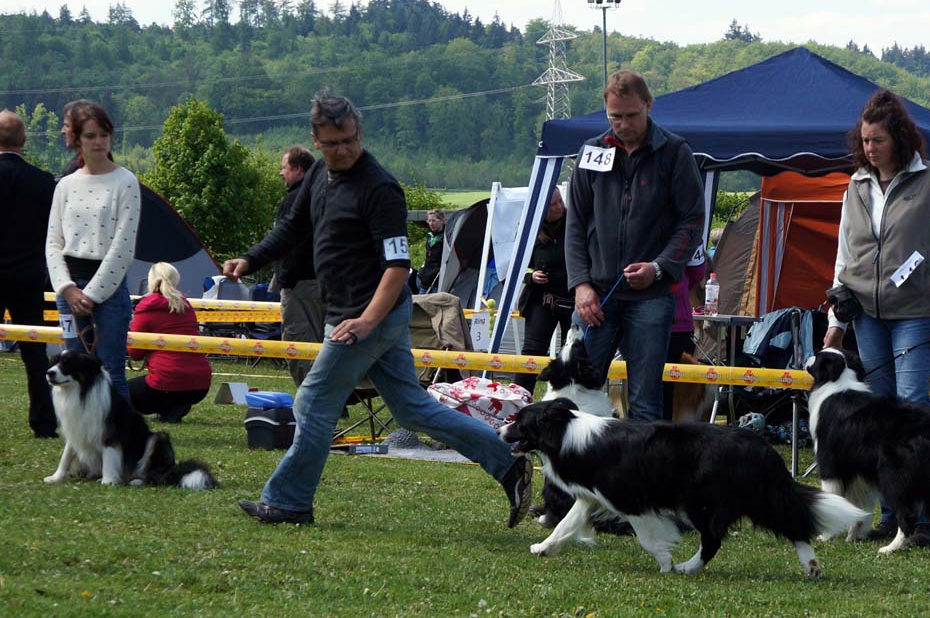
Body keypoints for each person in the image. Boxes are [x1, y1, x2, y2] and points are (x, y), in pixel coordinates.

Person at [223, 91, 531, 526]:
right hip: (350, 314)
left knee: (311, 403)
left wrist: (367, 320)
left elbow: (397, 267)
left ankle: (289, 502)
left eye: (348, 139)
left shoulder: (381, 189)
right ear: (315, 140)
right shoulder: (317, 178)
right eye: (331, 144)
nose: (342, 150)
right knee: (411, 409)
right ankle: (508, 463)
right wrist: (251, 259)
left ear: (359, 131)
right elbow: (293, 229)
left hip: (371, 316)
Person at [822, 89, 930, 548]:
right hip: (865, 311)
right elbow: (846, 255)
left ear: (899, 138)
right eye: (864, 140)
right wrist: (836, 320)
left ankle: (921, 517)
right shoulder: (855, 186)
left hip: (916, 312)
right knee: (875, 421)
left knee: (911, 407)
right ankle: (893, 515)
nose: (869, 148)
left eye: (877, 140)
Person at [565, 70, 705, 421]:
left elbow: (692, 221)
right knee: (578, 396)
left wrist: (658, 267)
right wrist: (581, 285)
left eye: (631, 115)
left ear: (648, 105)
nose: (623, 124)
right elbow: (575, 223)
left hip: (651, 297)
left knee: (645, 401)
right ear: (605, 111)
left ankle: (645, 477)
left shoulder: (675, 152)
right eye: (615, 117)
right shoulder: (591, 152)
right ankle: (576, 474)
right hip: (596, 296)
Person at [45, 101, 140, 399]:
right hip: (69, 291)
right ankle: (80, 444)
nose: (99, 142)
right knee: (70, 374)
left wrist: (91, 295)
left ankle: (119, 443)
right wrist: (68, 289)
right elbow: (53, 242)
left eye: (104, 134)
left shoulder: (126, 182)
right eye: (90, 136)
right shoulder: (65, 185)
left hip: (109, 291)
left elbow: (123, 247)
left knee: (111, 372)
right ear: (76, 139)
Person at [0, 110, 58, 438]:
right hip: (28, 275)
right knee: (34, 350)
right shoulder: (43, 181)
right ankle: (43, 422)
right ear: (23, 140)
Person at [126, 262, 212, 422]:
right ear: (176, 280)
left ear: (151, 280)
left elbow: (135, 354)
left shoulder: (146, 308)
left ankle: (170, 404)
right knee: (169, 387)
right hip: (200, 384)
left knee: (120, 394)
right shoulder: (186, 306)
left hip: (167, 381)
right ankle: (175, 406)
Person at [512, 187, 572, 396]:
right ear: (540, 210)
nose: (558, 207)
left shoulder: (575, 222)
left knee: (571, 353)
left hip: (573, 297)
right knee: (532, 352)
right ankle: (518, 400)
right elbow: (513, 268)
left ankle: (565, 401)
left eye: (559, 202)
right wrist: (531, 277)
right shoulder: (528, 231)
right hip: (541, 297)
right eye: (552, 205)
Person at [274, 145, 324, 388]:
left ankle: (313, 401)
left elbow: (286, 241)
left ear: (297, 169)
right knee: (320, 343)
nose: (281, 173)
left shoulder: (295, 200)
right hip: (319, 281)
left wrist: (285, 278)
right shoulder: (320, 196)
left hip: (298, 284)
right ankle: (331, 401)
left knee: (297, 344)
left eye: (284, 167)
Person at [662, 247, 707, 421]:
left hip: (676, 322)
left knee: (663, 390)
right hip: (679, 321)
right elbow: (696, 272)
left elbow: (697, 272)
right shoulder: (689, 230)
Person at [417, 209, 446, 294]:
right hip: (426, 277)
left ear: (442, 221)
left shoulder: (446, 237)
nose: (431, 223)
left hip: (438, 277)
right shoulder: (429, 236)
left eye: (434, 220)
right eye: (429, 221)